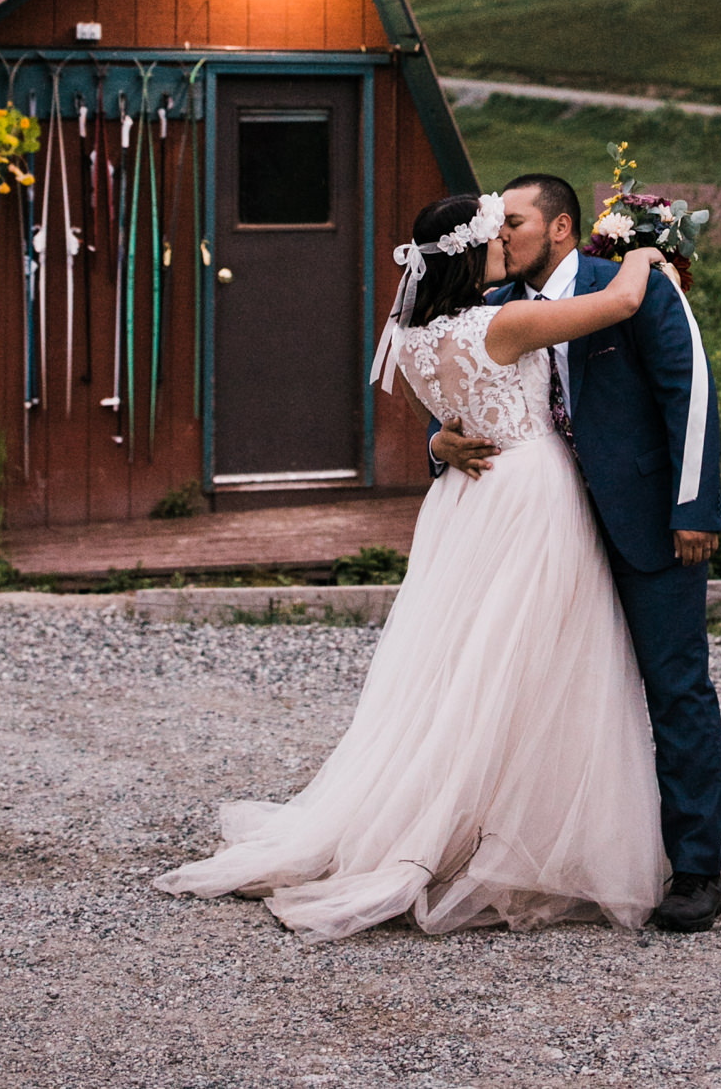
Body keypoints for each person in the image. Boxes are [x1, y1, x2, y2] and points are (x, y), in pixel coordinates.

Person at [155, 192, 669, 940]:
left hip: (465, 503)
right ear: (469, 253)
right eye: (494, 239)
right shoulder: (506, 321)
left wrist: (436, 446)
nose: (504, 248)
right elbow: (621, 302)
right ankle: (504, 834)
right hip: (527, 494)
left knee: (461, 668)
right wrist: (647, 252)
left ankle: (462, 820)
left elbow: (450, 419)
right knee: (535, 662)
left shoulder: (410, 335)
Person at [432, 174, 721, 934]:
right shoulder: (495, 308)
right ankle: (553, 852)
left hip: (643, 523)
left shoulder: (630, 283)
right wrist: (438, 445)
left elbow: (687, 390)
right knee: (542, 695)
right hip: (546, 536)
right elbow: (459, 393)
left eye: (516, 222)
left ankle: (695, 869)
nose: (502, 235)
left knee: (675, 687)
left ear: (560, 228)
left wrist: (693, 505)